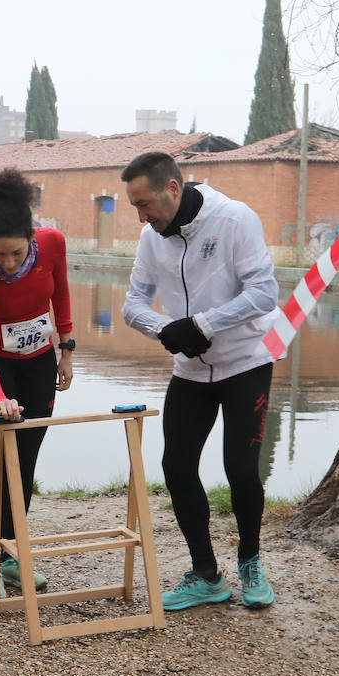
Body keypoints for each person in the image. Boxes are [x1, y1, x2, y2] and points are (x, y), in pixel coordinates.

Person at [120, 151, 278, 611]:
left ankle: (250, 563)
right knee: (176, 466)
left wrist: (202, 325)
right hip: (190, 369)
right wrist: (167, 330)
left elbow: (265, 293)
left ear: (173, 188)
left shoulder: (234, 219)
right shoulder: (151, 238)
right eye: (135, 207)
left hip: (245, 362)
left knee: (241, 469)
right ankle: (207, 575)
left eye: (145, 204)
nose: (142, 217)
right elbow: (133, 305)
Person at [0, 169, 75, 601]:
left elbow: (61, 294)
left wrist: (66, 349)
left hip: (38, 364)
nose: (9, 262)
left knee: (27, 462)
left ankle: (13, 556)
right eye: (0, 254)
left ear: (32, 239)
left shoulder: (53, 243)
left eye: (16, 253)